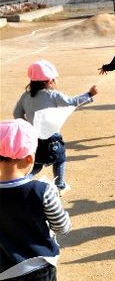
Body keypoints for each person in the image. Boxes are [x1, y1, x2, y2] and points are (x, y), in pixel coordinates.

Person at [0, 119, 71, 280]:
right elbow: (62, 227)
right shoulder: (42, 190)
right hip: (39, 265)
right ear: (30, 159)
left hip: (5, 270)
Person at [13, 60, 97, 195]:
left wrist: (28, 127)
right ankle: (60, 185)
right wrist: (89, 95)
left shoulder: (26, 96)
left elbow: (17, 113)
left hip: (34, 138)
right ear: (49, 81)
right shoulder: (53, 95)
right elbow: (72, 103)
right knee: (60, 159)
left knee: (37, 164)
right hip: (52, 137)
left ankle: (21, 181)